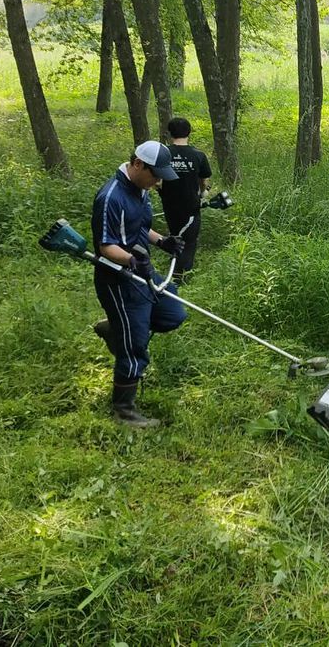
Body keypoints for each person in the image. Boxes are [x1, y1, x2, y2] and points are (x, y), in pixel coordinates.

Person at [91, 140, 187, 427]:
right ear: (137, 164)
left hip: (140, 273)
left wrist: (163, 241)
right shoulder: (111, 197)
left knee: (173, 312)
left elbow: (140, 227)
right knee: (135, 344)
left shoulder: (140, 189)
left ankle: (117, 328)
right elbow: (106, 246)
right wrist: (131, 260)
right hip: (118, 278)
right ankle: (124, 410)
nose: (158, 182)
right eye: (155, 175)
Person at [158, 117, 213, 280]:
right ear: (189, 132)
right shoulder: (198, 155)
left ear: (169, 133)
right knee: (189, 241)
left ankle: (175, 266)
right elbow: (204, 180)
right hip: (191, 206)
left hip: (169, 204)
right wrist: (203, 193)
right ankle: (181, 275)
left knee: (175, 234)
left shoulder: (164, 153)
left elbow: (157, 181)